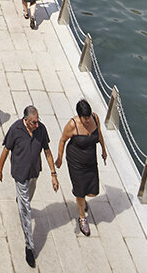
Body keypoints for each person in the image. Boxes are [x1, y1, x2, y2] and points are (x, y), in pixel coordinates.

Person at [0, 105, 59, 269]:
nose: (37, 125)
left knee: (27, 198)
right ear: (26, 120)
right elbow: (5, 150)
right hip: (20, 174)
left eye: (38, 122)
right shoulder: (15, 129)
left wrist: (53, 174)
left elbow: (47, 151)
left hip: (34, 172)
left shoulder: (41, 129)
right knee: (26, 209)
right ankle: (29, 246)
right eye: (34, 122)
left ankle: (22, 201)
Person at [55, 98, 108, 237]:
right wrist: (59, 157)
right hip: (76, 161)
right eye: (85, 118)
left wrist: (103, 149)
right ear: (79, 116)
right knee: (80, 191)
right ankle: (82, 217)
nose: (88, 120)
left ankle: (81, 199)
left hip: (90, 160)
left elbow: (99, 134)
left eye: (89, 116)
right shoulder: (73, 125)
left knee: (93, 192)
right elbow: (62, 140)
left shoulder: (95, 119)